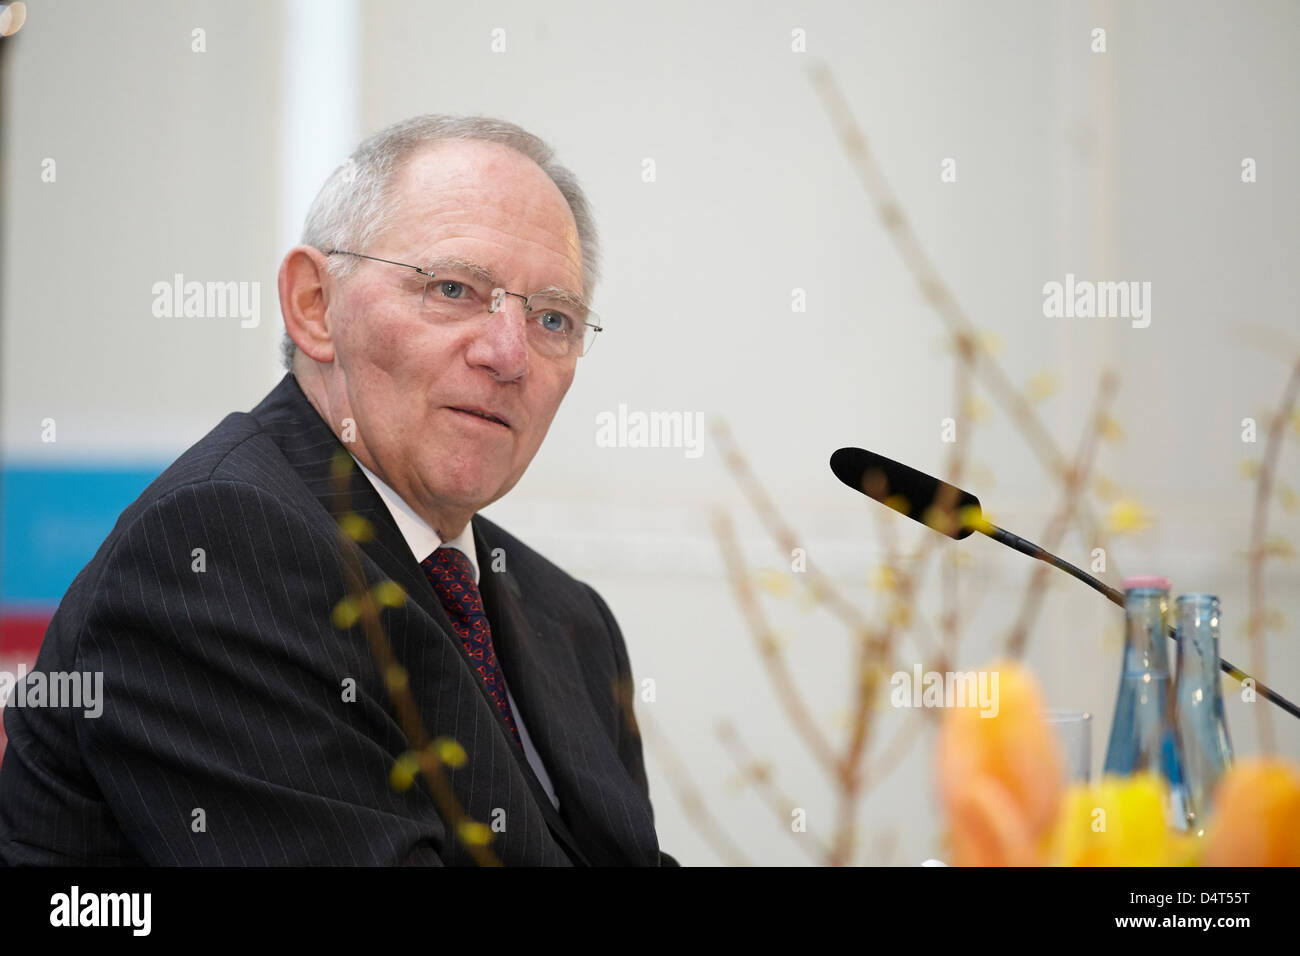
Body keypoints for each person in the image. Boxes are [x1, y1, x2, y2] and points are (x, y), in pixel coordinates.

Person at [0, 114, 677, 866]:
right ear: (314, 306)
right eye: (453, 288)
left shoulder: (568, 618)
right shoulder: (216, 548)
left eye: (553, 318)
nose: (507, 354)